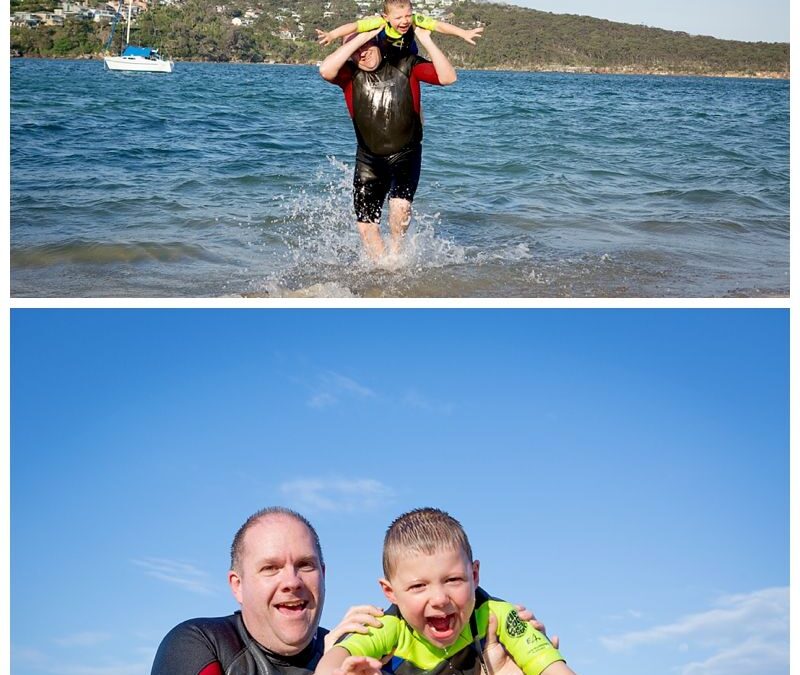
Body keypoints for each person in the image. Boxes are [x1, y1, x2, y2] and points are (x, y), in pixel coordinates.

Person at [151, 507, 557, 675]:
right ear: (236, 586)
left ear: (324, 575)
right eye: (270, 568)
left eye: (305, 565)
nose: (291, 580)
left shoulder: (367, 655)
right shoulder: (200, 644)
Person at [315, 508, 575, 675]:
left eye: (453, 580)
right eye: (418, 586)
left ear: (474, 575)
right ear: (390, 592)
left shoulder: (499, 617)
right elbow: (333, 661)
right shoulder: (388, 627)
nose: (439, 599)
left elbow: (555, 669)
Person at [319, 28, 456, 261]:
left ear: (379, 44)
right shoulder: (348, 77)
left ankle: (396, 258)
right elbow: (325, 69)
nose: (362, 54)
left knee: (400, 208)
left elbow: (448, 77)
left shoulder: (406, 65)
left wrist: (426, 40)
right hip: (368, 159)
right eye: (355, 50)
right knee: (365, 226)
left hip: (406, 153)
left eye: (367, 46)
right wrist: (360, 38)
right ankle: (381, 269)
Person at [316, 0, 484, 56]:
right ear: (386, 17)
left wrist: (463, 33)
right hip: (386, 58)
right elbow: (354, 26)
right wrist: (332, 34)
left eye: (408, 15)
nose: (405, 21)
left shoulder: (416, 19)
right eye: (398, 17)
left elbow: (439, 25)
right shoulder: (379, 22)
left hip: (409, 58)